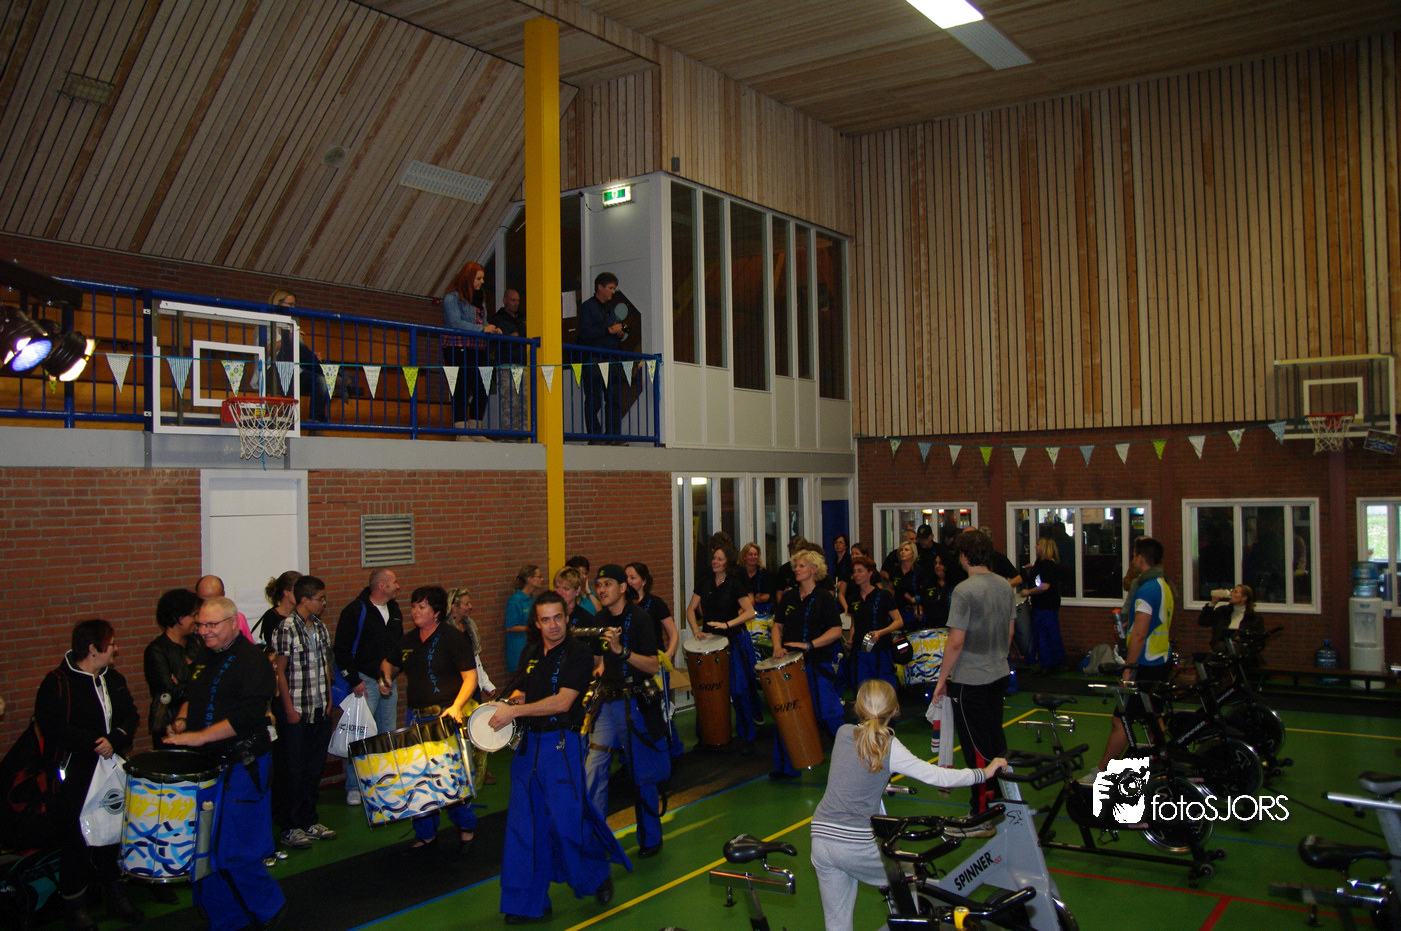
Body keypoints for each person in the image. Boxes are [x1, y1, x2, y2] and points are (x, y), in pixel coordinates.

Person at [811, 680, 1006, 931]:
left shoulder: (842, 733)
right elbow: (937, 776)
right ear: (895, 711)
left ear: (857, 707)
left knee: (836, 922)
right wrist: (984, 773)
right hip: (853, 843)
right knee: (905, 877)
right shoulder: (890, 746)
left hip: (821, 838)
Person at [487, 593, 629, 923]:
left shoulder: (579, 653)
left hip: (561, 745)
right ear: (537, 624)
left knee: (567, 824)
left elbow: (564, 701)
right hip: (529, 748)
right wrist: (509, 702)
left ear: (567, 618)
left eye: (558, 618)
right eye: (546, 620)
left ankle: (596, 874)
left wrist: (515, 712)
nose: (553, 625)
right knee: (524, 827)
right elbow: (525, 691)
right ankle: (528, 902)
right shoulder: (530, 653)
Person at [166, 597, 285, 931]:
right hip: (207, 766)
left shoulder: (254, 661)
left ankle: (270, 911)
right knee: (204, 849)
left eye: (211, 625)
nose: (204, 631)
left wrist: (200, 736)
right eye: (200, 625)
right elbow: (193, 695)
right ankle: (226, 920)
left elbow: (249, 715)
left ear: (234, 622)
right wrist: (182, 721)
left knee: (235, 849)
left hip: (242, 765)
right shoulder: (205, 656)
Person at [36, 619, 143, 931]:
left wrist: (115, 739)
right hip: (75, 774)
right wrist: (94, 743)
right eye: (111, 645)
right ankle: (76, 907)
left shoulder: (114, 678)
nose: (116, 650)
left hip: (112, 771)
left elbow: (130, 715)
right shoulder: (57, 683)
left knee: (113, 835)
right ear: (93, 649)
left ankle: (116, 896)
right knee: (77, 841)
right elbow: (50, 724)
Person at [378, 585, 479, 852]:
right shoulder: (409, 640)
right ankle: (426, 833)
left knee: (450, 777)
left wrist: (457, 707)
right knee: (418, 779)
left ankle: (466, 826)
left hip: (444, 716)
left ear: (436, 612)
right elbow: (389, 663)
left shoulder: (452, 637)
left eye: (421, 607)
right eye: (413, 606)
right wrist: (385, 677)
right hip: (416, 717)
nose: (415, 611)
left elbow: (471, 677)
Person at [584, 566, 671, 856]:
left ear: (623, 587)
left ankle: (650, 837)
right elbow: (596, 659)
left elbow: (652, 665)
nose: (601, 590)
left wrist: (621, 651)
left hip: (635, 703)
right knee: (594, 770)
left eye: (608, 584)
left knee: (642, 775)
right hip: (607, 703)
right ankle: (596, 839)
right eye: (598, 585)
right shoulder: (599, 619)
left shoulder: (641, 618)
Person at [932, 529, 1014, 826]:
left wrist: (942, 679)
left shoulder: (964, 591)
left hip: (971, 681)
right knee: (994, 739)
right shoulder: (1004, 585)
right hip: (998, 673)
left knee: (977, 749)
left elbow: (956, 642)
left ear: (963, 556)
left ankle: (981, 811)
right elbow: (1009, 631)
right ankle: (1002, 798)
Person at [1081, 536, 1175, 784]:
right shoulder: (1163, 585)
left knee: (1120, 721)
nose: (1133, 561)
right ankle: (1165, 762)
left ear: (1141, 559)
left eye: (1134, 556)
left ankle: (1103, 772)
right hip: (1160, 661)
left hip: (1144, 665)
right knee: (1154, 716)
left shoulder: (1146, 590)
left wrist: (1127, 670)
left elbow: (1140, 634)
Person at [269, 575, 338, 849]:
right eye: (320, 599)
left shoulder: (319, 627)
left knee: (313, 768)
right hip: (297, 710)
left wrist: (329, 700)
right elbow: (280, 672)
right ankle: (290, 826)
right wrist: (288, 709)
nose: (324, 603)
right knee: (293, 771)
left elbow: (325, 666)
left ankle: (310, 820)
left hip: (319, 708)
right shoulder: (286, 628)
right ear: (305, 599)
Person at [770, 549, 846, 778]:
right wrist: (777, 646)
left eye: (801, 566)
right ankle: (785, 767)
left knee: (828, 713)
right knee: (786, 713)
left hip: (816, 663)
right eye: (796, 566)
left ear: (814, 569)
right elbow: (777, 626)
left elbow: (836, 630)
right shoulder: (789, 597)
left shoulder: (825, 598)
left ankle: (857, 756)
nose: (797, 569)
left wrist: (810, 645)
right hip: (791, 666)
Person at [334, 569, 404, 805]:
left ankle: (384, 781)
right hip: (364, 682)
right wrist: (354, 680)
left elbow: (399, 646)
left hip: (389, 682)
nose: (398, 586)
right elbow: (341, 649)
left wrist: (392, 674)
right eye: (394, 582)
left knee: (387, 732)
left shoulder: (395, 611)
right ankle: (354, 786)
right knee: (360, 734)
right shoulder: (355, 610)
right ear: (382, 585)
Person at [685, 543, 761, 743]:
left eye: (720, 559)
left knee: (738, 690)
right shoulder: (705, 581)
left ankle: (747, 735)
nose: (715, 562)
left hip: (733, 640)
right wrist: (696, 630)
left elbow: (750, 612)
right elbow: (690, 609)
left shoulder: (735, 584)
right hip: (710, 643)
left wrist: (727, 624)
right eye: (714, 558)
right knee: (707, 690)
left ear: (728, 562)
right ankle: (707, 736)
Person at [626, 561, 683, 758]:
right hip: (633, 666)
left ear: (644, 581)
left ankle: (673, 750)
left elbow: (673, 632)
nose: (629, 582)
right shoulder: (624, 606)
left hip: (655, 666)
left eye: (633, 578)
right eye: (626, 578)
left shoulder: (655, 603)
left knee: (661, 710)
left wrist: (669, 653)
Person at [143, 588, 210, 746]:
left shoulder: (198, 642)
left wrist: (183, 684)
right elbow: (169, 692)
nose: (197, 620)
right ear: (178, 617)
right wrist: (201, 684)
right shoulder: (157, 650)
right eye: (193, 615)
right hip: (169, 723)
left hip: (200, 719)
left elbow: (213, 675)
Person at [442, 261, 501, 436]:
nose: (482, 282)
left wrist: (492, 329)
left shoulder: (480, 299)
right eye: (479, 278)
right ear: (468, 278)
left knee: (482, 386)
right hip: (458, 347)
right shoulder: (452, 298)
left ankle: (476, 428)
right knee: (461, 387)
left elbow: (482, 321)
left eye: (482, 278)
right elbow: (455, 323)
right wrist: (482, 329)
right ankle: (461, 429)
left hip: (477, 349)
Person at [447, 586, 497, 784]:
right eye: (466, 604)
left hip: (472, 686)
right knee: (458, 730)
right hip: (454, 689)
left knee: (475, 727)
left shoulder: (469, 626)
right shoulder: (446, 631)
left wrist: (486, 683)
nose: (470, 607)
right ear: (454, 607)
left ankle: (479, 767)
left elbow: (475, 660)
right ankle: (458, 768)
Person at [267, 289, 331, 424]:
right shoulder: (265, 323)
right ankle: (326, 370)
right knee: (295, 340)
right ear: (278, 303)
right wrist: (288, 339)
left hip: (294, 371)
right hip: (274, 371)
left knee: (320, 380)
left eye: (294, 305)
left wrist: (312, 355)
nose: (293, 308)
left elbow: (299, 352)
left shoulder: (291, 324)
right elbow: (265, 350)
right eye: (289, 304)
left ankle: (316, 421)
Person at [576, 271, 625, 441]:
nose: (613, 291)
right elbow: (584, 333)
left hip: (610, 359)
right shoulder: (587, 307)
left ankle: (613, 436)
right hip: (593, 359)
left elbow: (607, 331)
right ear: (600, 287)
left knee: (614, 399)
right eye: (610, 288)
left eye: (614, 288)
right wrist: (608, 330)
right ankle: (595, 436)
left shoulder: (610, 309)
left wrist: (618, 334)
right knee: (594, 399)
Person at [845, 555, 902, 690]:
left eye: (860, 571)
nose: (856, 575)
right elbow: (854, 624)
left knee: (884, 688)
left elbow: (898, 621)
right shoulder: (853, 598)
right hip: (860, 650)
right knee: (862, 688)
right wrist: (851, 639)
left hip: (880, 649)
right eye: (854, 572)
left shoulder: (883, 595)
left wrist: (880, 632)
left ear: (870, 573)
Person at [1019, 538, 1066, 670]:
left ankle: (1048, 663)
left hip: (1046, 605)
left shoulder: (1048, 565)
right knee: (1045, 634)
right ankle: (1051, 662)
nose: (1035, 547)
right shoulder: (1040, 563)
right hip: (1041, 605)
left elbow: (1045, 586)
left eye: (1038, 545)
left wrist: (1028, 592)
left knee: (1045, 635)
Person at [491, 288, 529, 436]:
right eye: (513, 300)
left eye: (518, 300)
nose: (516, 303)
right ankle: (509, 437)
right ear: (505, 300)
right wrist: (518, 336)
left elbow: (527, 332)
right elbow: (506, 341)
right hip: (507, 364)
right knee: (509, 403)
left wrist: (517, 335)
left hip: (523, 363)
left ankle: (524, 436)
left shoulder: (522, 317)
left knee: (524, 403)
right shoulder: (498, 319)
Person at [505, 564, 546, 674]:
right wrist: (532, 628)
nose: (542, 579)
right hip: (519, 650)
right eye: (539, 576)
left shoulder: (532, 598)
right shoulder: (515, 600)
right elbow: (510, 627)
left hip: (532, 648)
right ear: (530, 579)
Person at [1198, 584, 1262, 653]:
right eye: (1232, 591)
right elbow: (1203, 621)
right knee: (1221, 647)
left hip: (1243, 652)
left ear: (1244, 598)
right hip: (1221, 650)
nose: (1231, 594)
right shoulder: (1222, 612)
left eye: (1235, 592)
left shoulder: (1253, 618)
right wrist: (1213, 603)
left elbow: (1258, 641)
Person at [196, 575, 254, 643]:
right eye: (203, 601)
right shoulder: (192, 620)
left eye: (214, 601)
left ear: (223, 595)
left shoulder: (238, 618)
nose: (208, 606)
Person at [253, 571, 301, 645]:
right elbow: (272, 645)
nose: (302, 594)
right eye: (298, 590)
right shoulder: (271, 617)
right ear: (286, 592)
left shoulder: (300, 614)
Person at [888, 541, 924, 629]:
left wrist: (918, 606)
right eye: (901, 550)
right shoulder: (894, 570)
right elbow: (890, 590)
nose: (903, 552)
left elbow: (923, 592)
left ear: (913, 554)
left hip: (913, 611)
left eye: (906, 550)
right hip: (897, 611)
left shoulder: (919, 571)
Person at [736, 542, 776, 618]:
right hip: (740, 610)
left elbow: (769, 595)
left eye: (755, 554)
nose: (753, 557)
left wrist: (761, 598)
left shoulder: (764, 573)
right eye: (750, 554)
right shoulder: (737, 574)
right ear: (744, 557)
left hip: (761, 614)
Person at [920, 553, 954, 629]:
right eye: (935, 563)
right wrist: (919, 610)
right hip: (931, 627)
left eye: (940, 563)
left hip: (950, 627)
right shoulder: (928, 583)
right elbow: (921, 603)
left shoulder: (955, 584)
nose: (937, 566)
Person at [830, 533, 853, 610]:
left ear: (846, 546)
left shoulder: (848, 559)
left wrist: (842, 583)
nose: (838, 545)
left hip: (847, 590)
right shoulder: (835, 560)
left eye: (841, 542)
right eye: (836, 542)